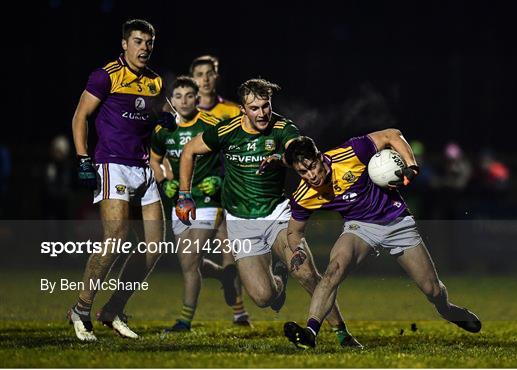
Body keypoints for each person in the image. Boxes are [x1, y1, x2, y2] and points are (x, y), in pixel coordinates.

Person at [176, 78, 361, 347]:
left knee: (307, 273)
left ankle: (342, 334)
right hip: (240, 223)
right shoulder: (227, 131)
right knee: (263, 298)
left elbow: (296, 149)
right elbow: (190, 150)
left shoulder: (283, 128)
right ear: (243, 110)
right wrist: (184, 195)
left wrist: (282, 158)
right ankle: (279, 280)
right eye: (254, 108)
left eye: (266, 106)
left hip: (277, 216)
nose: (262, 113)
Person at [282, 132, 482, 349]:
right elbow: (294, 232)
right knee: (333, 270)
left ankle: (449, 310)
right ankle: (310, 332)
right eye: (303, 172)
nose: (311, 175)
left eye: (313, 166)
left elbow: (391, 135)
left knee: (432, 290)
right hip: (359, 227)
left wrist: (411, 166)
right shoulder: (304, 195)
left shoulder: (351, 152)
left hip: (397, 222)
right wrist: (297, 251)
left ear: (320, 157)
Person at [69, 19, 177, 341]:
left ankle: (113, 310)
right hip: (112, 165)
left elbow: (162, 110)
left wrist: (167, 117)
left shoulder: (154, 81)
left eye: (149, 42)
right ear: (124, 44)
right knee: (115, 236)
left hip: (143, 168)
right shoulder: (106, 76)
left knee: (154, 247)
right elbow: (80, 116)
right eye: (138, 41)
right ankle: (81, 309)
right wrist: (82, 158)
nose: (144, 47)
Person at [149, 76, 248, 331]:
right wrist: (163, 182)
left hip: (207, 201)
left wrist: (219, 179)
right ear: (171, 101)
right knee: (188, 261)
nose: (183, 101)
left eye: (189, 96)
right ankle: (225, 276)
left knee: (190, 258)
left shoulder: (211, 124)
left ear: (197, 99)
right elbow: (154, 159)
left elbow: (235, 155)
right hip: (179, 202)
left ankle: (184, 320)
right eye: (178, 97)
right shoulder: (164, 129)